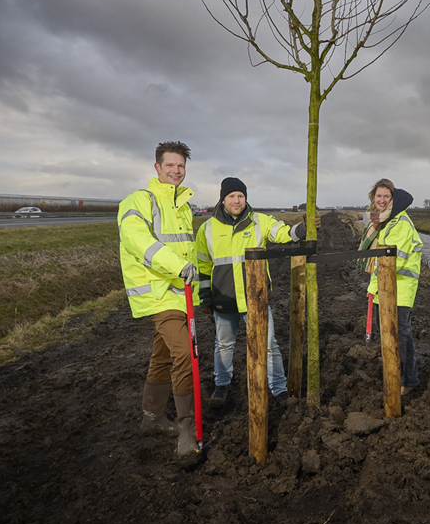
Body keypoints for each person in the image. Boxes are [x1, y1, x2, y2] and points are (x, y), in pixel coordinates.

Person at [195, 177, 318, 407]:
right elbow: (202, 265)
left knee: (269, 345)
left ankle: (279, 390)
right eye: (232, 196)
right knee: (223, 345)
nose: (237, 200)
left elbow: (284, 233)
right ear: (223, 200)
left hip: (257, 298)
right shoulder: (207, 229)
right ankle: (221, 386)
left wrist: (303, 229)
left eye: (240, 196)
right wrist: (204, 297)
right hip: (224, 299)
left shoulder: (258, 221)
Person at [118, 140, 200, 455]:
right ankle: (185, 431)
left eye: (181, 166)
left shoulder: (183, 206)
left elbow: (189, 253)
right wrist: (178, 267)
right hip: (158, 293)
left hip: (180, 295)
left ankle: (151, 417)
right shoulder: (140, 201)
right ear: (157, 168)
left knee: (163, 355)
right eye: (170, 165)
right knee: (185, 356)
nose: (176, 171)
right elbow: (138, 241)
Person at [358, 179, 423, 395]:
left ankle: (401, 381)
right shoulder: (382, 223)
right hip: (384, 288)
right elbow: (378, 262)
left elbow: (392, 260)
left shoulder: (400, 223)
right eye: (378, 196)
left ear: (393, 199)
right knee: (398, 335)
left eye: (387, 196)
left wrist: (378, 280)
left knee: (398, 336)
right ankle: (408, 378)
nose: (382, 200)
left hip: (400, 289)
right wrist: (373, 287)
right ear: (373, 198)